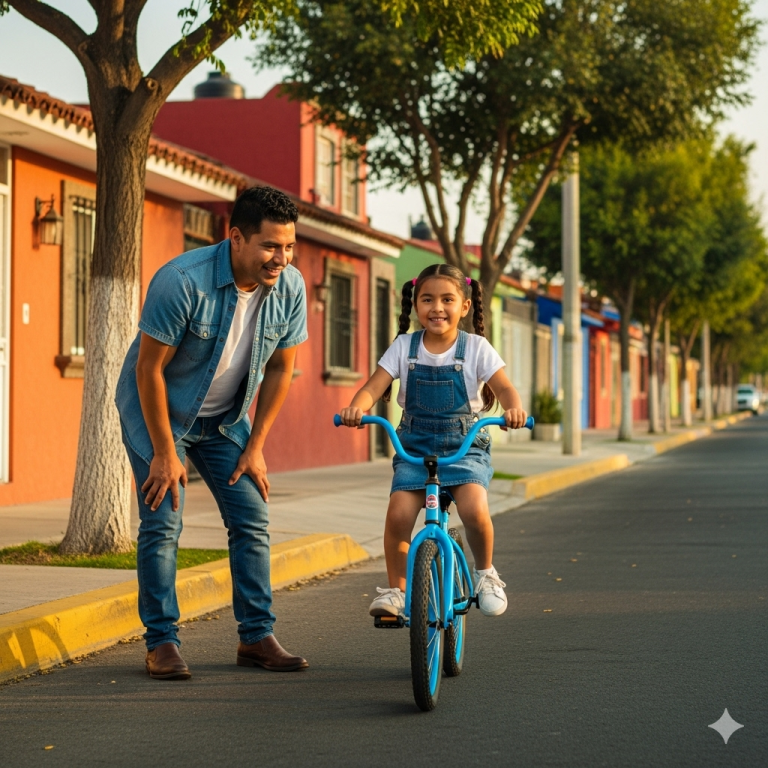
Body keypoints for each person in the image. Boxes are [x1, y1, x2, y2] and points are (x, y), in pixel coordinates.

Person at [115, 186, 309, 680]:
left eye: (288, 247)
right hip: (159, 412)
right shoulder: (182, 281)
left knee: (251, 515)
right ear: (237, 238)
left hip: (226, 420)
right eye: (270, 246)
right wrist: (164, 451)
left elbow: (282, 369)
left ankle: (256, 636)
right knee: (164, 522)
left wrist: (257, 445)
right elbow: (148, 371)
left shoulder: (289, 287)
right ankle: (161, 642)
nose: (280, 259)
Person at [339, 263, 528, 618]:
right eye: (427, 299)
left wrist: (514, 409)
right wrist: (356, 408)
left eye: (447, 299)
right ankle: (396, 590)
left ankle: (486, 573)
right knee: (398, 516)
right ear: (416, 305)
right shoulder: (403, 346)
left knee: (473, 509)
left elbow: (504, 387)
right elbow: (373, 386)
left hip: (463, 447)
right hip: (413, 448)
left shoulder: (476, 347)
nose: (437, 307)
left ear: (465, 306)